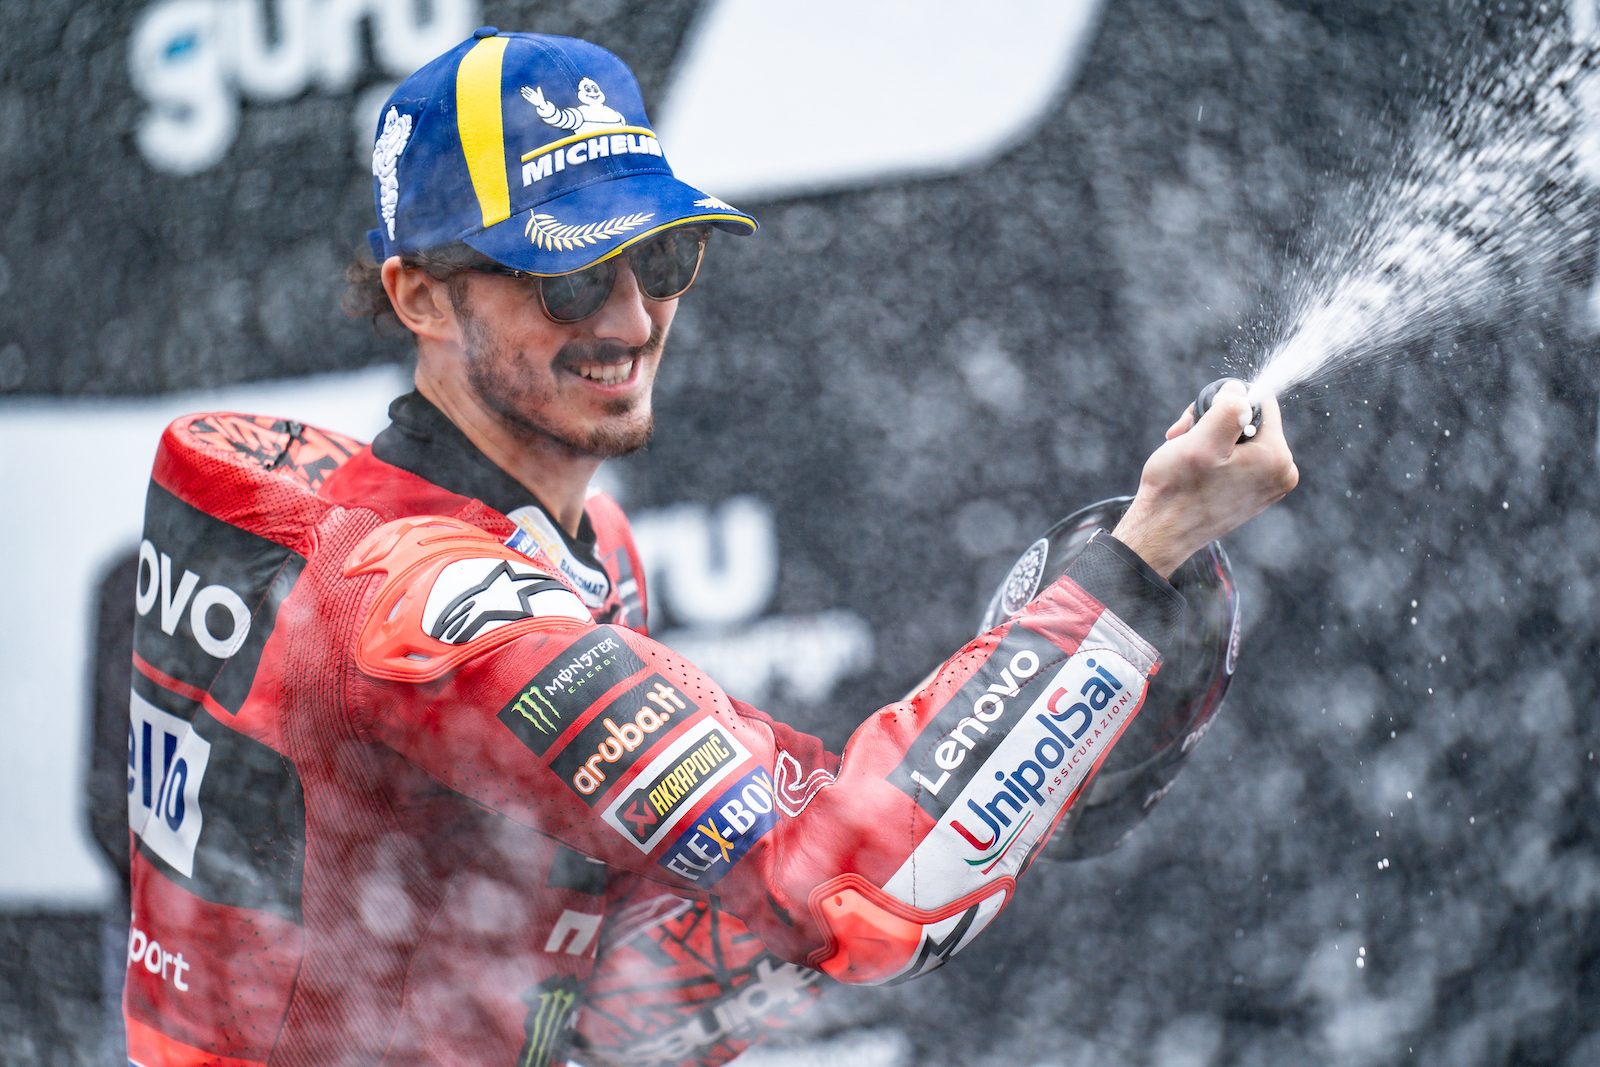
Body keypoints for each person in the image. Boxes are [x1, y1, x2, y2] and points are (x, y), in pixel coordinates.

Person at [121, 28, 1298, 1067]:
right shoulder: (424, 604)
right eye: (570, 276)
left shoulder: (547, 545)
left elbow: (632, 986)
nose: (631, 318)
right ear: (421, 297)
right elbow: (857, 893)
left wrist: (1039, 739)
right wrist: (1137, 559)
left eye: (661, 258)